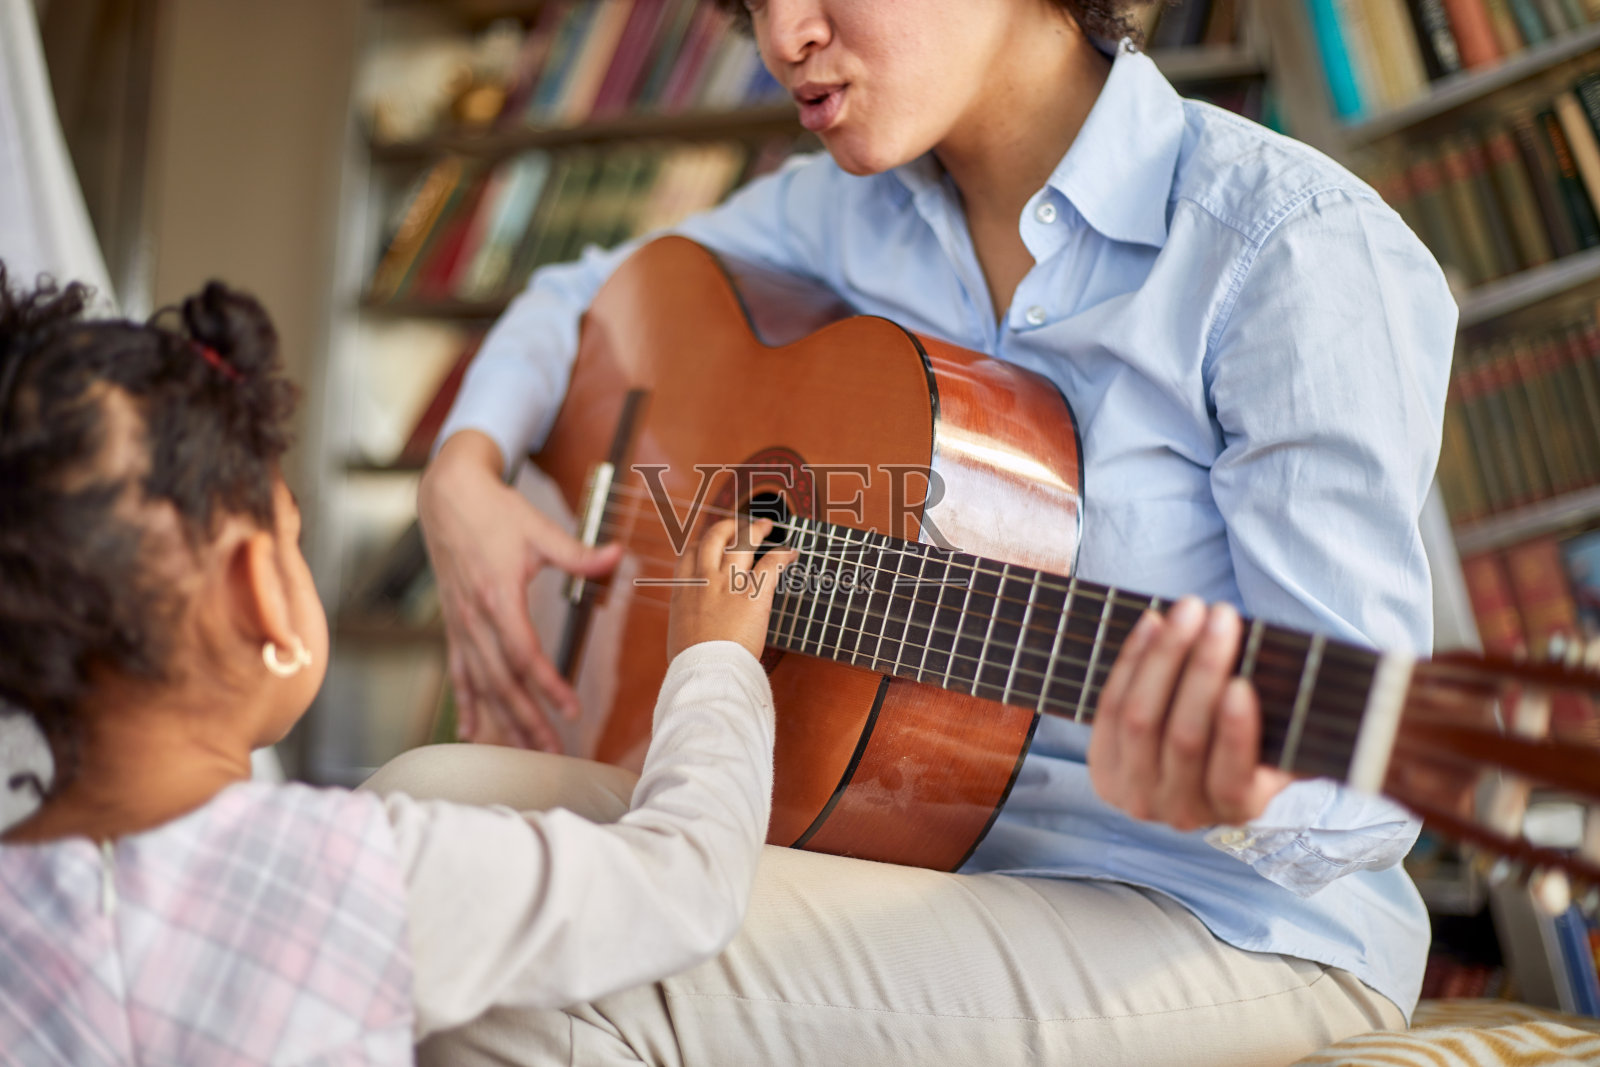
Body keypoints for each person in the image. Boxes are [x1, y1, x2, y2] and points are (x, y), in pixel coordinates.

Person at [399, 0, 1457, 1062]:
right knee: (417, 819)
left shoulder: (1288, 249)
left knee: (544, 963)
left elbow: (1361, 776)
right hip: (914, 846)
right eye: (752, 4)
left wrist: (1244, 781)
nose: (781, 40)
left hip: (1211, 918)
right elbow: (576, 293)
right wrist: (464, 470)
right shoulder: (843, 210)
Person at [0, 268, 796, 1064]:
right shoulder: (348, 873)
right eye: (293, 535)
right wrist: (714, 656)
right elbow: (682, 884)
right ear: (260, 592)